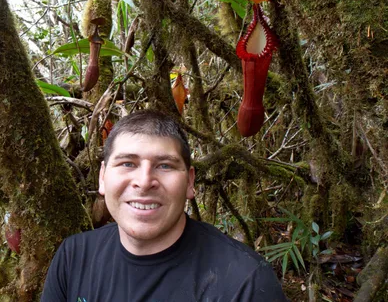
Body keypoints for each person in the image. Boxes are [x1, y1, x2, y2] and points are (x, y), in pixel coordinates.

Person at [41, 110, 288, 302]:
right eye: (127, 163)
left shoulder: (245, 283)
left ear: (190, 182)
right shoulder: (73, 257)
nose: (144, 182)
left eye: (165, 166)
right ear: (102, 177)